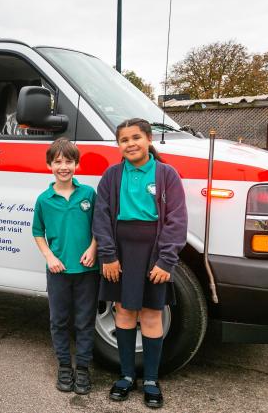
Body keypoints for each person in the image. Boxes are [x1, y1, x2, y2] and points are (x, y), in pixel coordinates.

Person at [92, 118, 187, 409]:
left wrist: (166, 261)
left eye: (136, 137)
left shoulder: (166, 174)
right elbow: (101, 216)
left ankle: (151, 379)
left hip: (153, 255)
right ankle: (125, 375)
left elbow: (177, 220)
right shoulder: (112, 175)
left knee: (150, 315)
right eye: (124, 139)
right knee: (123, 311)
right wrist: (108, 256)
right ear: (118, 145)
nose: (130, 143)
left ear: (148, 140)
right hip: (120, 254)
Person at [32, 137, 99, 395]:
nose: (63, 166)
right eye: (58, 161)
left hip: (86, 271)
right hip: (58, 272)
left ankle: (82, 368)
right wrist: (50, 257)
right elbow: (38, 232)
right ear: (49, 165)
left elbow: (98, 228)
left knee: (84, 321)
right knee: (58, 321)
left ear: (77, 165)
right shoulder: (44, 199)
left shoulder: (88, 195)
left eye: (69, 161)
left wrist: (93, 249)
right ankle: (63, 365)